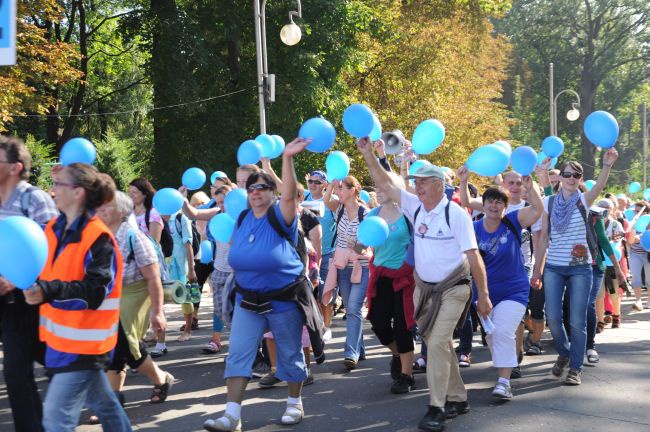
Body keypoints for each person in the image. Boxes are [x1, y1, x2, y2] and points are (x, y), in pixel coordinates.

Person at [357, 137, 491, 432]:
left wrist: (484, 296)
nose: (417, 186)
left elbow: (474, 257)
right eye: (415, 181)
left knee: (439, 340)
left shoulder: (455, 214)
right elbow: (387, 183)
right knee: (436, 343)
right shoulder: (415, 206)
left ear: (440, 184)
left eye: (424, 182)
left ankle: (437, 407)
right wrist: (368, 154)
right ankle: (458, 397)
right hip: (425, 290)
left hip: (455, 287)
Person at [203, 137, 315, 431]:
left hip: (283, 298)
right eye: (251, 188)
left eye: (261, 187)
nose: (255, 192)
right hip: (248, 300)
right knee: (239, 353)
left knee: (289, 353)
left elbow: (290, 194)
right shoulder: (241, 218)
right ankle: (231, 415)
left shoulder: (282, 214)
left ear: (271, 192)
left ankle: (294, 403)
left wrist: (287, 158)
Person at [23, 163, 131, 432]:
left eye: (59, 184)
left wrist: (48, 290)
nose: (53, 190)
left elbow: (94, 292)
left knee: (55, 418)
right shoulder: (51, 230)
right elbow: (40, 271)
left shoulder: (99, 240)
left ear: (78, 192)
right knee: (106, 406)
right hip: (60, 342)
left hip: (85, 345)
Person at [532, 149, 618, 385]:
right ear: (559, 178)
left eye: (576, 175)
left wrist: (607, 165)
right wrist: (537, 269)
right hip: (554, 267)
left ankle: (575, 367)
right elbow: (543, 238)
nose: (571, 178)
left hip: (581, 268)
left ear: (580, 180)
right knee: (553, 316)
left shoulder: (583, 200)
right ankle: (565, 352)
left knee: (577, 320)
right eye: (567, 174)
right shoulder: (549, 201)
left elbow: (599, 186)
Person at [459, 170, 543, 399]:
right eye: (490, 201)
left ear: (505, 207)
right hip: (484, 293)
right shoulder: (473, 229)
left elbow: (537, 210)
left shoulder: (513, 222)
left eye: (499, 202)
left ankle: (504, 381)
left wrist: (530, 186)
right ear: (483, 205)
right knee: (493, 336)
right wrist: (463, 180)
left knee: (504, 331)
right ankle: (507, 366)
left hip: (514, 289)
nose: (494, 206)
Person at [0, 135, 59, 432]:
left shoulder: (34, 199)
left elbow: (52, 249)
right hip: (4, 300)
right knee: (27, 362)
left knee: (17, 370)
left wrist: (15, 278)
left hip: (28, 297)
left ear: (15, 167)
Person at [97, 191, 175, 407]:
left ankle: (112, 402)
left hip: (134, 294)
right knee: (128, 348)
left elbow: (153, 277)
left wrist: (157, 312)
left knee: (120, 344)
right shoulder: (99, 235)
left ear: (121, 211)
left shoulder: (135, 236)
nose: (100, 209)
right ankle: (161, 379)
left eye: (106, 206)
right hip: (108, 296)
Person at [366, 172, 417, 393]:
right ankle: (397, 354)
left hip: (405, 279)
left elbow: (418, 243)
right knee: (379, 324)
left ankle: (407, 375)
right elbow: (364, 245)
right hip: (381, 278)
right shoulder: (372, 216)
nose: (378, 190)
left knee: (403, 327)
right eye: (375, 187)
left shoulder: (407, 215)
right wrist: (355, 244)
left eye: (382, 186)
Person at [323, 175, 370, 371]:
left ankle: (350, 353)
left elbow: (372, 241)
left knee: (353, 308)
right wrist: (332, 186)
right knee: (352, 310)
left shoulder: (365, 214)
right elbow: (325, 201)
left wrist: (358, 246)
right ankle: (359, 347)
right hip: (342, 266)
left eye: (341, 188)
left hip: (360, 264)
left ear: (352, 190)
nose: (338, 192)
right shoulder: (340, 209)